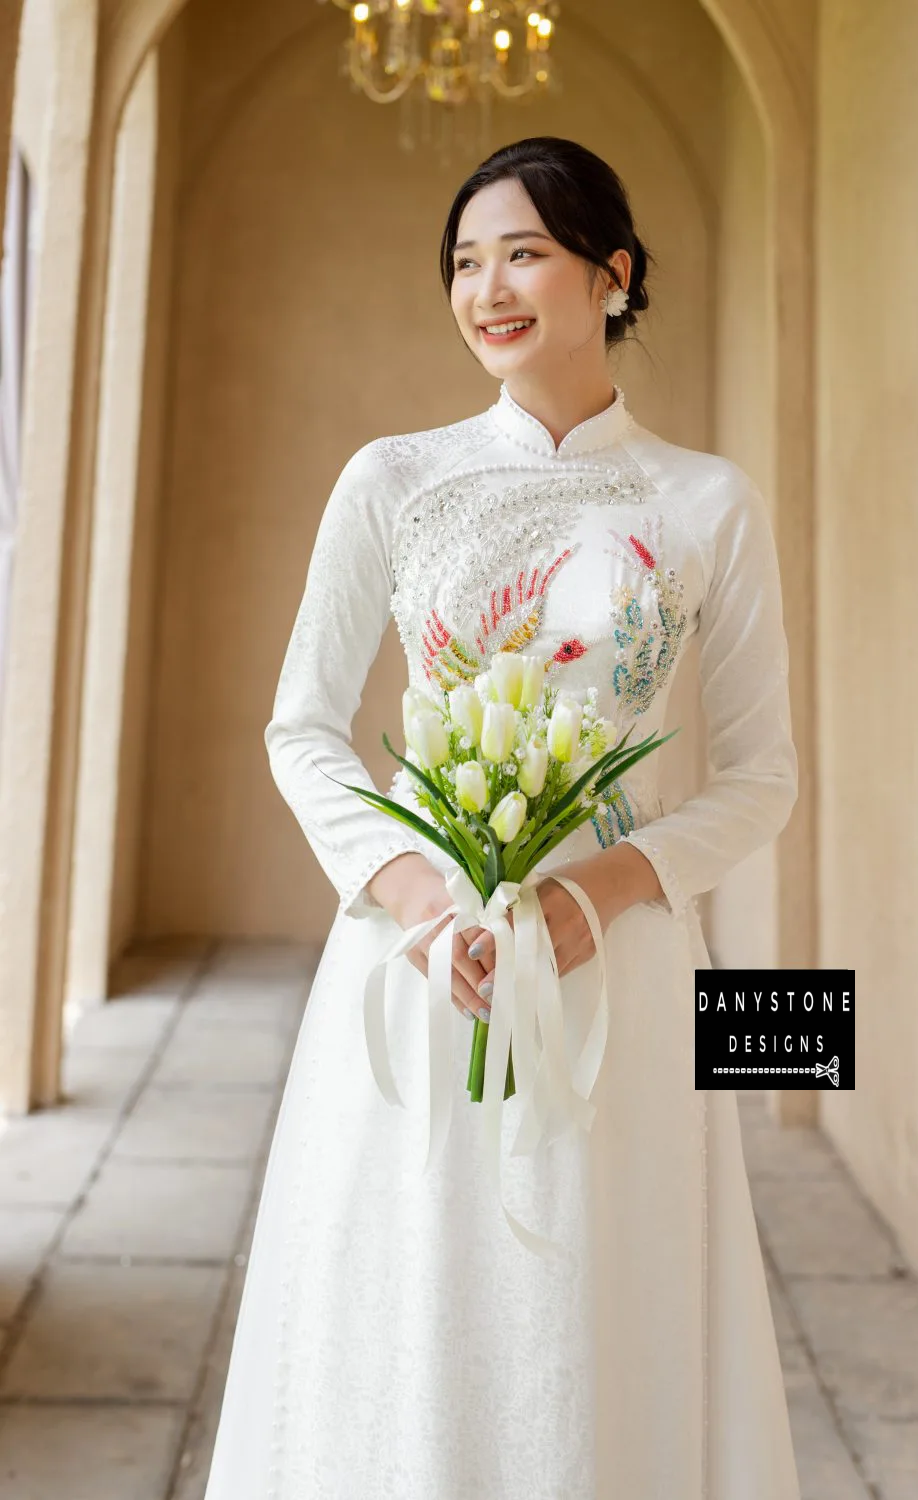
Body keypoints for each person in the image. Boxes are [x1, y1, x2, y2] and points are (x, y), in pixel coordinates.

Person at [203, 135, 801, 1499]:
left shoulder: (710, 502)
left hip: (624, 967)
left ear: (614, 271)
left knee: (610, 1290)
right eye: (465, 262)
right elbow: (303, 724)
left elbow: (764, 776)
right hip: (424, 959)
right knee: (413, 1288)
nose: (488, 288)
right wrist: (417, 902)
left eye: (523, 250)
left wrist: (604, 893)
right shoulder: (391, 482)